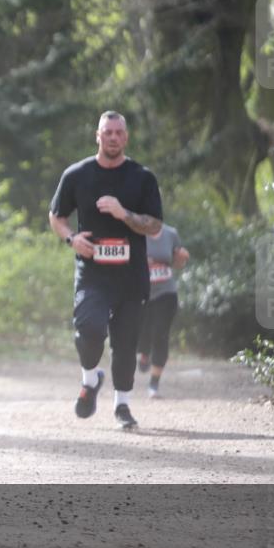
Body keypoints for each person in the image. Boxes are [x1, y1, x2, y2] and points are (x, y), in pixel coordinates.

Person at [48, 111, 163, 429]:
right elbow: (56, 216)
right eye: (107, 132)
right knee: (89, 329)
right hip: (93, 273)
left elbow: (154, 226)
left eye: (118, 133)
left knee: (125, 344)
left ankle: (122, 407)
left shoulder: (142, 177)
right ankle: (90, 380)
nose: (113, 137)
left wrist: (123, 212)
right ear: (97, 136)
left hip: (131, 277)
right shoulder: (77, 174)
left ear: (126, 138)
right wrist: (71, 238)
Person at [138, 223, 189, 398]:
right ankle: (144, 353)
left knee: (160, 334)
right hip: (141, 293)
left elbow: (178, 263)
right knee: (141, 334)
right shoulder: (136, 232)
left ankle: (154, 384)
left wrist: (181, 258)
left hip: (166, 293)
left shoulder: (170, 233)